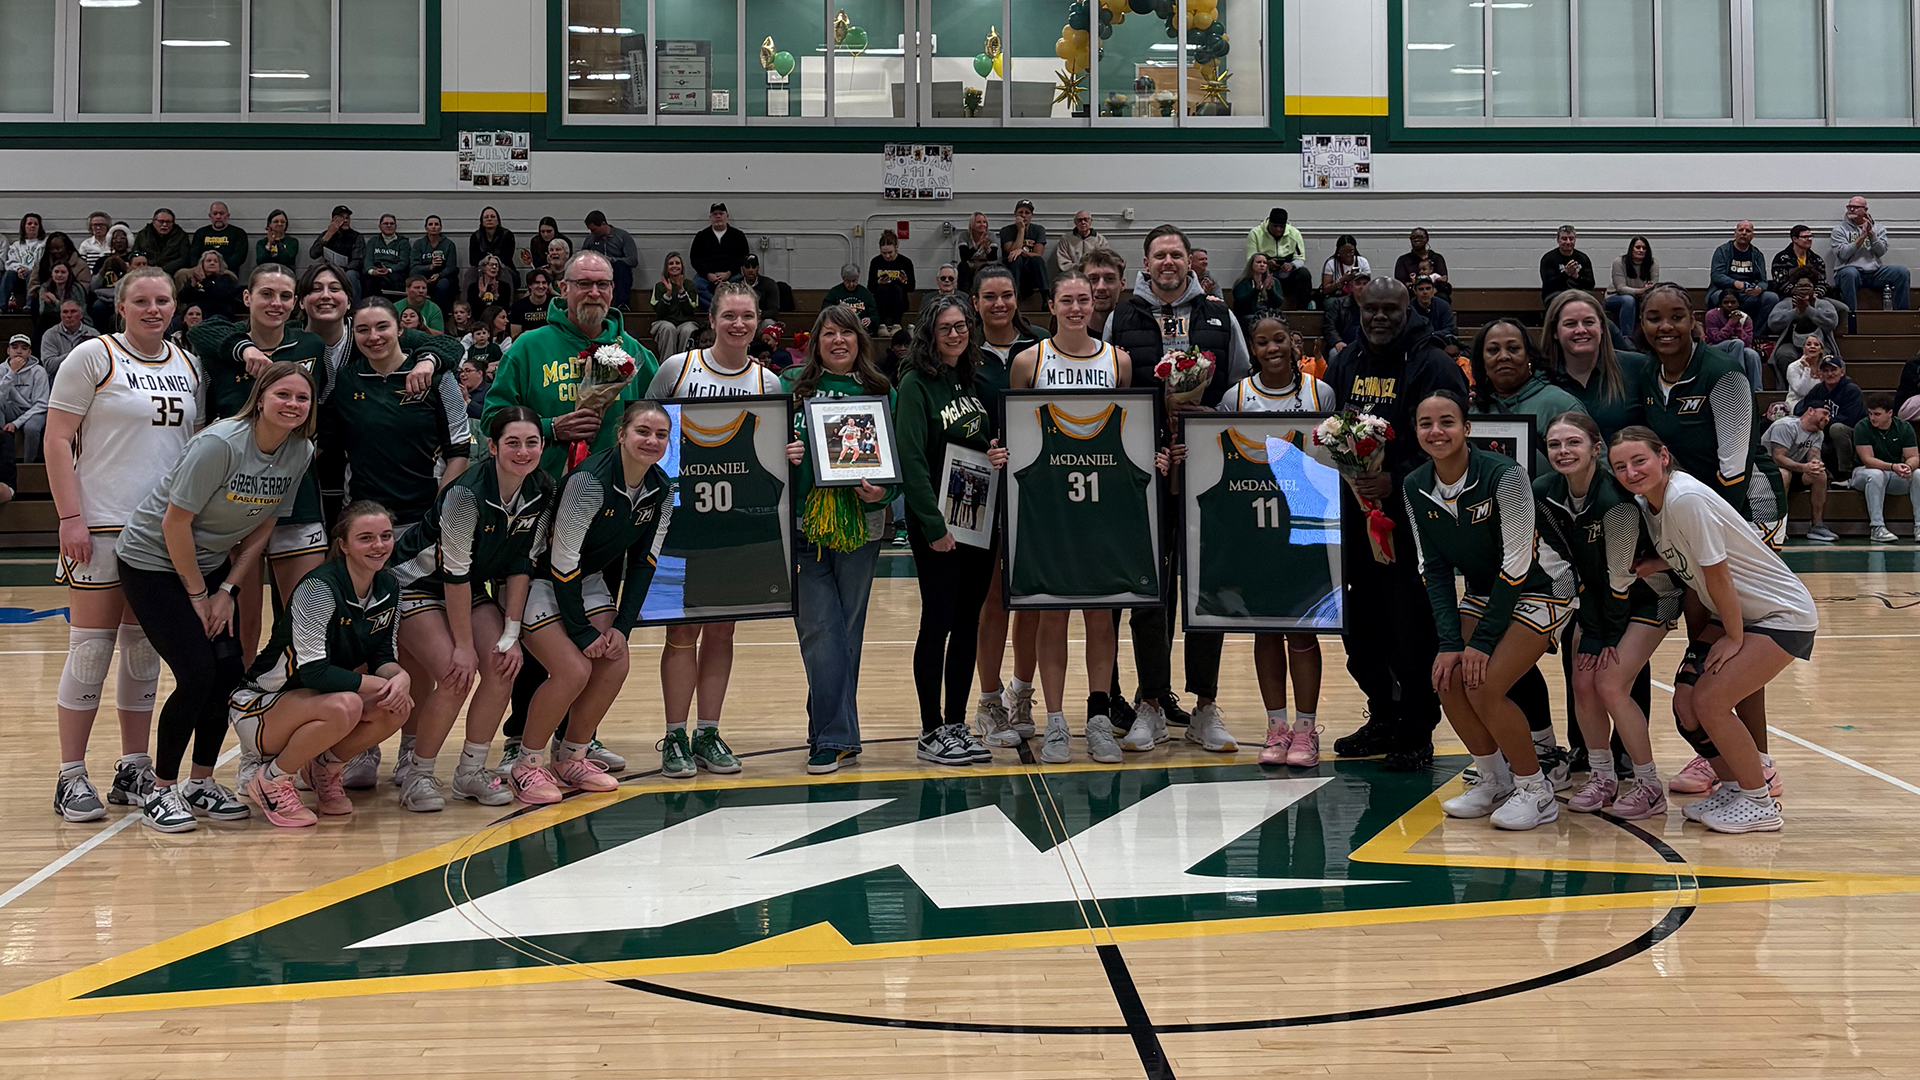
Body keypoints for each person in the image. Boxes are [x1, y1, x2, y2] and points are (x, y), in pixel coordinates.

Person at [114, 361, 317, 832]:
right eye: (283, 395)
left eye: (301, 398)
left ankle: (200, 783)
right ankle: (160, 791)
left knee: (228, 672)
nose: (292, 405)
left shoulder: (299, 450)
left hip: (209, 567)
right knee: (197, 672)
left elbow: (263, 524)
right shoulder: (219, 444)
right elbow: (173, 523)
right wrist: (198, 594)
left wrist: (227, 590)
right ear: (261, 397)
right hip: (152, 563)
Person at [44, 269, 198, 823]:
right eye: (141, 301)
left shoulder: (187, 364)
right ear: (122, 307)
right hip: (102, 523)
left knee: (142, 653)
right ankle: (70, 775)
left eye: (162, 300)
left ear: (175, 306)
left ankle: (134, 767)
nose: (153, 309)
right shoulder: (92, 356)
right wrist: (70, 517)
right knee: (90, 651)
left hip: (159, 533)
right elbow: (57, 437)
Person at [1611, 427, 1815, 833]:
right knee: (1686, 704)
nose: (1632, 471)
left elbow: (1717, 573)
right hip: (1741, 612)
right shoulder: (1649, 503)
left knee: (1710, 701)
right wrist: (1656, 563)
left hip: (1778, 614)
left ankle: (1759, 803)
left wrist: (1734, 637)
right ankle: (1738, 786)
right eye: (1621, 466)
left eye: (1640, 460)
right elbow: (1693, 551)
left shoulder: (1684, 498)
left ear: (1663, 456)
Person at [1103, 225, 1252, 740]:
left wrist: (1206, 418)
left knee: (1208, 585)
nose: (1168, 262)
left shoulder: (1219, 314)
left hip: (1208, 472)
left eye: (1176, 254)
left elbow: (1239, 392)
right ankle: (1149, 703)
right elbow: (1110, 396)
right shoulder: (1121, 318)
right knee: (1149, 590)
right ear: (1144, 263)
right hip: (1145, 474)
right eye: (1159, 255)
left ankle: (1206, 706)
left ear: (1190, 261)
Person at [1408, 391, 1569, 831]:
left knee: (1484, 684)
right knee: (1447, 678)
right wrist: (1448, 644)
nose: (1436, 431)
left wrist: (1479, 642)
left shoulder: (1505, 476)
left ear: (1467, 428)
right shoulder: (1415, 485)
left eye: (1447, 422)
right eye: (1426, 423)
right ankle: (1493, 778)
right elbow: (1434, 570)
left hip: (1545, 585)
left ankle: (1536, 791)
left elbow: (1516, 565)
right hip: (1485, 589)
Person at [1328, 279, 1470, 772]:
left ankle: (1416, 728)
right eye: (1372, 309)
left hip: (1412, 522)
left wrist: (1397, 477)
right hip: (1356, 520)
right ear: (1358, 309)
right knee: (1359, 630)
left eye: (1392, 308)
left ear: (1410, 309)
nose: (1381, 317)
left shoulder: (1434, 364)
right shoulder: (1346, 362)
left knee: (1410, 631)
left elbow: (1447, 440)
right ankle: (1383, 715)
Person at [641, 281, 781, 776]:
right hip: (681, 521)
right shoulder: (677, 369)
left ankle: (708, 732)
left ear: (758, 320)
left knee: (722, 631)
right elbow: (646, 429)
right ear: (713, 319)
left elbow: (773, 457)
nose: (738, 325)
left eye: (747, 316)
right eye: (729, 316)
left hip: (737, 527)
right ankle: (674, 735)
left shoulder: (769, 384)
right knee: (681, 633)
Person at [1005, 271, 1143, 763]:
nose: (1077, 307)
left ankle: (1099, 719)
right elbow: (1016, 431)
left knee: (1101, 614)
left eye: (1084, 299)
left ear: (1095, 305)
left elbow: (1132, 432)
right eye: (1067, 300)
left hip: (1104, 508)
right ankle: (1056, 722)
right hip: (1049, 509)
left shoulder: (1118, 361)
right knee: (1052, 611)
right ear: (1053, 306)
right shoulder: (1029, 361)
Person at [386, 407, 551, 808]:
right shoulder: (463, 494)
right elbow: (454, 574)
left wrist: (511, 636)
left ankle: (469, 773)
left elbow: (520, 564)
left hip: (468, 587)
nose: (523, 451)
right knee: (456, 672)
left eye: (531, 442)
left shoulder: (542, 489)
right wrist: (463, 646)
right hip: (416, 585)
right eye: (512, 442)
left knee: (502, 666)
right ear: (492, 447)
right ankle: (418, 775)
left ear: (543, 446)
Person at [227, 502, 411, 826]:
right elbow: (313, 671)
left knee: (396, 706)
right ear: (343, 545)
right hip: (260, 706)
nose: (378, 545)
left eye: (385, 536)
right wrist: (380, 685)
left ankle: (324, 769)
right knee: (347, 705)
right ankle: (270, 779)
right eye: (366, 538)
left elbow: (383, 655)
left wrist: (399, 678)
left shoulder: (389, 587)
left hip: (312, 703)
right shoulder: (319, 588)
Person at [187, 264, 335, 659]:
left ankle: (294, 704)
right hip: (233, 503)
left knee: (307, 619)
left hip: (296, 496)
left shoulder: (311, 348)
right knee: (242, 623)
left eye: (285, 296)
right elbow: (200, 331)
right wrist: (245, 349)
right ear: (247, 299)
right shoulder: (219, 348)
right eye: (267, 294)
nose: (277, 303)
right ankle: (245, 705)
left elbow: (325, 405)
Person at [1536, 412, 1674, 819]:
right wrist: (1581, 624)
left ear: (1596, 449)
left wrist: (1604, 635)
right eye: (1555, 445)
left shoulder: (1615, 501)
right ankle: (1603, 777)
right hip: (1595, 601)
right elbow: (1558, 564)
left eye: (1573, 443)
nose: (1564, 451)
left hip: (1648, 598)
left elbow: (1621, 578)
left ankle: (1649, 785)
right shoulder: (1543, 492)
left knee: (1610, 683)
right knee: (1582, 681)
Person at [781, 306, 897, 773]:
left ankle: (827, 733)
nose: (838, 341)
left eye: (846, 333)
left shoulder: (880, 391)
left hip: (860, 527)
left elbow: (897, 462)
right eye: (829, 334)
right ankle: (836, 734)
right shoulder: (794, 390)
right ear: (817, 343)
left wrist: (882, 491)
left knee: (846, 632)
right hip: (806, 525)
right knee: (818, 630)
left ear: (859, 340)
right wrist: (783, 453)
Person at [1216, 316, 1329, 767]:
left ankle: (1306, 729)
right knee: (1265, 629)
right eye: (1262, 342)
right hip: (1256, 528)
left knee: (1302, 631)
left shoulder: (1321, 393)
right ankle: (1276, 727)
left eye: (1279, 339)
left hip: (1304, 524)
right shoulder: (1235, 397)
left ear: (1293, 342)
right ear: (1254, 350)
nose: (1272, 348)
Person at [897, 295, 1006, 766]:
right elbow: (913, 460)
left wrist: (994, 454)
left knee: (968, 624)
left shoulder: (971, 380)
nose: (956, 334)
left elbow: (978, 442)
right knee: (937, 623)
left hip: (979, 522)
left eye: (961, 325)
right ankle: (929, 730)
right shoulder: (916, 384)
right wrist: (932, 524)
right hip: (940, 527)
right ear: (929, 332)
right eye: (946, 328)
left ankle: (958, 725)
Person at [969, 264, 1046, 741]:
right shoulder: (958, 347)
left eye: (1007, 295)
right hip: (980, 483)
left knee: (1032, 594)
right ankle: (989, 699)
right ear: (975, 301)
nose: (999, 304)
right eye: (989, 296)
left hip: (1035, 484)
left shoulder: (1040, 345)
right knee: (993, 598)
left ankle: (1022, 694)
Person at [318, 297, 470, 527]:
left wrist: (438, 517)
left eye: (382, 326)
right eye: (363, 329)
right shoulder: (345, 381)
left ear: (400, 329)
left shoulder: (437, 378)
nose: (373, 337)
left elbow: (459, 452)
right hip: (362, 517)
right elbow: (325, 440)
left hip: (423, 517)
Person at [1468, 318, 1585, 475]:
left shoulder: (1560, 404)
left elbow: (1597, 467)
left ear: (1529, 356)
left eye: (1513, 348)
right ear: (1481, 360)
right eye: (1493, 350)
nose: (1503, 356)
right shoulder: (1474, 411)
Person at [1851, 392, 1920, 542]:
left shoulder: (1903, 427)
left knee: (1918, 474)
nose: (1872, 418)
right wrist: (1894, 466)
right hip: (1863, 473)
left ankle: (1919, 526)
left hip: (1891, 473)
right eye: (1870, 413)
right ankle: (1877, 527)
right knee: (1876, 474)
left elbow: (1914, 456)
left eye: (1877, 414)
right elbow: (1868, 460)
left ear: (1889, 413)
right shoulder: (1862, 427)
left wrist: (1908, 466)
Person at [1831, 196, 1911, 324]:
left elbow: (1881, 251)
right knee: (1849, 273)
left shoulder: (1878, 228)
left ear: (1865, 209)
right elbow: (1843, 255)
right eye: (1849, 206)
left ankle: (1903, 316)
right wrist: (1860, 239)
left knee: (1902, 272)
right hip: (1849, 272)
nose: (1851, 209)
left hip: (1874, 272)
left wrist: (1871, 234)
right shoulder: (1839, 230)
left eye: (1856, 207)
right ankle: (1851, 319)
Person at [1763, 405, 1833, 542]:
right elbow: (1778, 458)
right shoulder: (1785, 426)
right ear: (1810, 410)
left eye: (1829, 416)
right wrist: (1804, 468)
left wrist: (1815, 464)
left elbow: (1814, 454)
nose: (1827, 419)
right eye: (1824, 413)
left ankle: (1817, 525)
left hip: (1795, 468)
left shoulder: (1818, 433)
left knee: (1819, 474)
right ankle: (1777, 526)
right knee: (1783, 474)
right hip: (1769, 470)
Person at [1765, 267, 1842, 388]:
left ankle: (1820, 387)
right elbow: (1773, 323)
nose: (1804, 289)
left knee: (1825, 355)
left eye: (1807, 286)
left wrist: (1808, 310)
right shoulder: (1785, 303)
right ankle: (1793, 387)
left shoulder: (1823, 303)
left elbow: (1831, 323)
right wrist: (1795, 311)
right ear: (1794, 288)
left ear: (1814, 289)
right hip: (1791, 343)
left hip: (1820, 344)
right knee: (1783, 354)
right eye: (1800, 286)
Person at [1795, 353, 1866, 476]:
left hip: (1850, 432)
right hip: (1823, 430)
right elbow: (1799, 409)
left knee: (1836, 428)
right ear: (1820, 374)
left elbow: (1850, 419)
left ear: (1842, 372)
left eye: (1833, 370)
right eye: (1825, 370)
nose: (1830, 374)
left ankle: (1846, 472)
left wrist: (1821, 421)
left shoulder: (1851, 390)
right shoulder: (1818, 389)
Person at [1708, 220, 1778, 323]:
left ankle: (1755, 334)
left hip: (1749, 294)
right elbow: (1717, 276)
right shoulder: (1723, 251)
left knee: (1772, 298)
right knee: (1717, 297)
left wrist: (1760, 289)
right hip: (1726, 291)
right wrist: (1736, 283)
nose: (1744, 233)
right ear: (1735, 233)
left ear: (1752, 235)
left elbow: (1763, 281)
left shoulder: (1757, 254)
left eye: (1748, 231)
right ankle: (1725, 331)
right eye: (1741, 230)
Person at [1243, 207, 1312, 309]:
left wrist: (1291, 265)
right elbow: (1250, 260)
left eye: (1281, 227)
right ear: (1269, 223)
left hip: (1287, 275)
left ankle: (1302, 309)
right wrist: (1266, 264)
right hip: (1265, 274)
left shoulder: (1294, 234)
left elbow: (1300, 258)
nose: (1278, 230)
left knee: (1304, 274)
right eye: (1275, 226)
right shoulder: (1255, 234)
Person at [0, 333, 48, 462]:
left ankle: (28, 465)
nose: (19, 351)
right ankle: (3, 460)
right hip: (12, 409)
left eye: (24, 348)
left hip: (33, 411)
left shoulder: (39, 371)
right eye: (15, 347)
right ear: (8, 351)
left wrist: (16, 423)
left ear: (30, 352)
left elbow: (41, 404)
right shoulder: (1, 369)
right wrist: (11, 372)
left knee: (32, 428)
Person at [1702, 289, 1763, 391]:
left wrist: (1738, 325)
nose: (1729, 305)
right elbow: (1716, 338)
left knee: (1752, 354)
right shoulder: (1711, 315)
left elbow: (1748, 342)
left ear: (1738, 304)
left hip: (1738, 347)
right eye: (1725, 302)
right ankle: (1738, 383)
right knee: (1737, 343)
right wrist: (1731, 322)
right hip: (1716, 348)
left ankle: (1756, 391)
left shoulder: (1745, 318)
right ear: (1720, 304)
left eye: (1733, 302)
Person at [689, 202, 749, 302]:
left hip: (732, 276)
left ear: (727, 216)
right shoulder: (701, 236)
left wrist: (729, 273)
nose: (718, 216)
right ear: (710, 217)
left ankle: (721, 307)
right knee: (695, 286)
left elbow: (743, 258)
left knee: (741, 287)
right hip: (706, 277)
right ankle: (716, 307)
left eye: (721, 214)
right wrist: (708, 274)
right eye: (715, 214)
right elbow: (695, 259)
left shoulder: (738, 236)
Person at [648, 252, 704, 357]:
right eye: (671, 263)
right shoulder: (659, 286)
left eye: (677, 263)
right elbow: (659, 312)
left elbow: (690, 310)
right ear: (666, 267)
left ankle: (684, 364)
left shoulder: (690, 285)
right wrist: (668, 293)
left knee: (689, 330)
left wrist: (681, 291)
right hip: (664, 322)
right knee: (668, 328)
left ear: (681, 266)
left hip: (685, 322)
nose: (674, 266)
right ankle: (667, 365)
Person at [582, 210, 641, 307]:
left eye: (594, 230)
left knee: (621, 267)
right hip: (597, 271)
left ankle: (622, 304)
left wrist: (612, 260)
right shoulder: (590, 239)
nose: (592, 233)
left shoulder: (622, 236)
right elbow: (583, 257)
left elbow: (633, 260)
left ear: (603, 224)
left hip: (617, 271)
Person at [308, 206, 366, 301]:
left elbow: (358, 261)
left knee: (351, 275)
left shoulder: (356, 236)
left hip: (348, 270)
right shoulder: (326, 235)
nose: (345, 221)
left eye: (347, 218)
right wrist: (329, 235)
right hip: (328, 268)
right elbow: (313, 254)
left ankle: (355, 309)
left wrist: (344, 269)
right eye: (341, 218)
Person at [999, 199, 1051, 303]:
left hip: (1031, 270)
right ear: (1015, 214)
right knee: (1016, 259)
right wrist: (1021, 230)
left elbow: (1038, 254)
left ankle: (1046, 297)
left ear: (1031, 216)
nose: (1024, 215)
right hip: (1013, 268)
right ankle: (1014, 296)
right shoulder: (1006, 231)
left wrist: (1022, 252)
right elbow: (1012, 252)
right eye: (1020, 212)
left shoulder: (1038, 230)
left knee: (1037, 260)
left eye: (1027, 213)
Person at [867, 230, 916, 336]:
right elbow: (870, 287)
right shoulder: (876, 262)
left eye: (890, 253)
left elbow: (911, 287)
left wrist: (905, 282)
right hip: (880, 299)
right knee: (883, 289)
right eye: (884, 253)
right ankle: (882, 324)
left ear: (896, 247)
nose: (887, 256)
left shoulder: (905, 262)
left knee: (896, 288)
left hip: (899, 300)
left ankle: (896, 324)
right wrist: (878, 283)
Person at [1607, 236, 1658, 338]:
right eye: (1638, 247)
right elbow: (1621, 288)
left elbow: (1654, 285)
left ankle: (1651, 336)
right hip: (1615, 297)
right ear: (1631, 249)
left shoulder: (1652, 263)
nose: (1641, 250)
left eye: (1644, 248)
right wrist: (1642, 290)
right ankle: (1626, 338)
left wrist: (1647, 290)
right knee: (1629, 300)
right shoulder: (1620, 262)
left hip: (1640, 298)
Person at [1769, 224, 1832, 302]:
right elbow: (1780, 283)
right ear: (1794, 239)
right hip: (1789, 297)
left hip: (1815, 297)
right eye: (1805, 237)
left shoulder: (1817, 260)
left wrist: (1816, 294)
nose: (1809, 239)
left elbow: (1822, 282)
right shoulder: (1781, 259)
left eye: (1810, 236)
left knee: (1842, 308)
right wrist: (1799, 294)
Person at [41, 298, 101, 379]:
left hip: (86, 379)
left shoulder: (94, 334)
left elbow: (100, 365)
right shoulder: (50, 335)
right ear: (60, 315)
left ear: (81, 315)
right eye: (65, 312)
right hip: (59, 380)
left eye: (73, 311)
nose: (69, 315)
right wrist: (76, 351)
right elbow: (49, 367)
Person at [411, 214, 459, 312]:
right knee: (414, 279)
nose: (433, 227)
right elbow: (414, 266)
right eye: (430, 224)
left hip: (443, 277)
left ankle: (440, 314)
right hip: (424, 275)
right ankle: (416, 312)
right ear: (426, 228)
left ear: (440, 227)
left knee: (443, 285)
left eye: (436, 224)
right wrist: (430, 267)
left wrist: (439, 275)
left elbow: (451, 267)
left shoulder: (448, 244)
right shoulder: (418, 244)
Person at [1539, 225, 1595, 305]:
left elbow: (1590, 285)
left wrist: (1577, 276)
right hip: (1555, 295)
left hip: (1580, 294)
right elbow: (1549, 285)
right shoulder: (1548, 259)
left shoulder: (1583, 258)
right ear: (1558, 240)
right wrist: (1566, 274)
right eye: (1564, 239)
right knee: (1568, 303)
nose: (1568, 242)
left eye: (1571, 239)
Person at [1392, 227, 1451, 301]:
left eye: (1420, 237)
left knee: (1444, 295)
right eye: (1413, 238)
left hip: (1435, 293)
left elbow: (1443, 279)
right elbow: (1400, 282)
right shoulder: (1403, 260)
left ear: (1427, 239)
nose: (1416, 240)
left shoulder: (1437, 258)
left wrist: (1431, 292)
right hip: (1412, 294)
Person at [1, 213, 45, 310]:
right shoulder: (16, 245)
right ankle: (1, 306)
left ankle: (28, 306)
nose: (32, 226)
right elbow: (9, 263)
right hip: (18, 276)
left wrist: (28, 269)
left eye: (35, 224)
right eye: (29, 224)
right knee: (8, 274)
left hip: (35, 276)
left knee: (32, 274)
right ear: (24, 226)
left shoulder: (43, 245)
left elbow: (44, 263)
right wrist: (19, 269)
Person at [1232, 254, 1287, 329]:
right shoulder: (1242, 283)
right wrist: (1256, 290)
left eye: (1264, 263)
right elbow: (1240, 304)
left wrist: (1269, 290)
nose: (1262, 265)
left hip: (1268, 314)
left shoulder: (1273, 282)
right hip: (1249, 316)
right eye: (1258, 262)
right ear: (1251, 265)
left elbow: (1278, 303)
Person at [364, 214, 411, 300]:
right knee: (369, 281)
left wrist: (389, 270)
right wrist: (372, 271)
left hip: (394, 273)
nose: (389, 226)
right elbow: (368, 260)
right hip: (376, 273)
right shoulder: (373, 241)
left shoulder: (403, 242)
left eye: (391, 223)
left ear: (395, 226)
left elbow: (403, 262)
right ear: (380, 226)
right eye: (386, 223)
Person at [1081, 248, 1127, 334]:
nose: (1101, 287)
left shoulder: (1136, 330)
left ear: (1122, 284)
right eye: (1093, 279)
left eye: (1109, 278)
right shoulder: (1068, 334)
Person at [134, 208, 192, 276]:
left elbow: (184, 259)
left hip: (170, 271)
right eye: (161, 221)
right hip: (146, 269)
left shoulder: (181, 236)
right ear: (153, 221)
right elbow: (135, 252)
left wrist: (164, 269)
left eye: (168, 222)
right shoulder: (143, 234)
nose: (164, 225)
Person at [469, 207, 517, 287]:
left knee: (504, 274)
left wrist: (492, 264)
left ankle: (507, 299)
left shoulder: (508, 235)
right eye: (486, 217)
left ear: (498, 220)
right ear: (482, 221)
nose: (489, 219)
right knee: (470, 273)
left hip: (503, 267)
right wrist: (486, 266)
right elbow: (473, 260)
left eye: (492, 216)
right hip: (482, 268)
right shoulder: (475, 236)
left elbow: (507, 258)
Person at [1055, 210, 1111, 279]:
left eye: (1085, 219)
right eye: (1080, 220)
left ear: (1090, 221)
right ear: (1075, 222)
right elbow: (1063, 261)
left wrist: (1090, 269)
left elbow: (1104, 260)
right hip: (1072, 276)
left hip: (1094, 276)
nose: (1083, 222)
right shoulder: (1066, 239)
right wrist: (1078, 268)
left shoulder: (1100, 240)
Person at [823, 264, 878, 334]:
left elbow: (875, 315)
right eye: (848, 281)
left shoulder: (866, 294)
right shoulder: (834, 293)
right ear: (843, 279)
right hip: (840, 326)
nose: (851, 284)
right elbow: (826, 311)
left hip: (860, 328)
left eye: (854, 281)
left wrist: (870, 320)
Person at [957, 212, 1000, 295]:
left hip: (985, 262)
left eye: (984, 222)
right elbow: (964, 256)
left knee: (992, 267)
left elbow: (993, 258)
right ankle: (963, 295)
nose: (982, 225)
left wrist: (987, 248)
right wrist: (978, 244)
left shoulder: (991, 236)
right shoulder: (964, 235)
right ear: (972, 225)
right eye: (979, 222)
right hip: (970, 262)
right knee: (962, 266)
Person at [1320, 234, 1370, 301]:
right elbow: (1325, 290)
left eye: (1351, 251)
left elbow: (1368, 285)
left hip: (1358, 296)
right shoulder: (1331, 263)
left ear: (1355, 249)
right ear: (1338, 251)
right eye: (1344, 251)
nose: (1348, 254)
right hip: (1336, 296)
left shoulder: (1363, 262)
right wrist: (1342, 280)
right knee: (1333, 304)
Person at [1411, 277, 1456, 346]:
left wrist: (1431, 335)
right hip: (1415, 346)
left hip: (1439, 345)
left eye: (1428, 288)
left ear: (1433, 290)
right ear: (1415, 291)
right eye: (1421, 289)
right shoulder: (1409, 307)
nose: (1425, 292)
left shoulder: (1443, 306)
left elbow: (1450, 329)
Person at [255, 210, 299, 274]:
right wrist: (269, 243)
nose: (279, 224)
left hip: (286, 274)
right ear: (269, 224)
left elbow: (286, 260)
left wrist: (278, 242)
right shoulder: (261, 243)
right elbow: (261, 262)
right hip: (266, 274)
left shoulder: (292, 242)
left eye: (283, 222)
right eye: (276, 221)